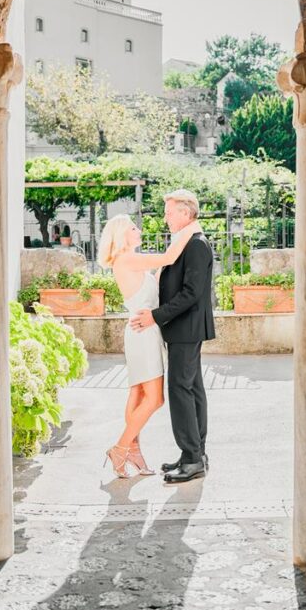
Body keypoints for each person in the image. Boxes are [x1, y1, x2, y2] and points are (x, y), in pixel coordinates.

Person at [97, 214, 201, 477]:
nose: (138, 230)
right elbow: (168, 257)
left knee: (139, 394)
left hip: (142, 330)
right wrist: (190, 229)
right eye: (133, 227)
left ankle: (133, 451)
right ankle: (121, 448)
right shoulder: (128, 258)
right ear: (122, 234)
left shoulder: (130, 262)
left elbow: (155, 281)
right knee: (154, 398)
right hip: (142, 333)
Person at [130, 190, 215, 483]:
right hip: (184, 327)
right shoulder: (187, 242)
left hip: (186, 328)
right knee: (192, 389)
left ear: (185, 212)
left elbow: (191, 293)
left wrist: (155, 315)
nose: (165, 217)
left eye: (168, 212)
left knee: (180, 389)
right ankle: (194, 453)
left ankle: (193, 459)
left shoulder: (195, 245)